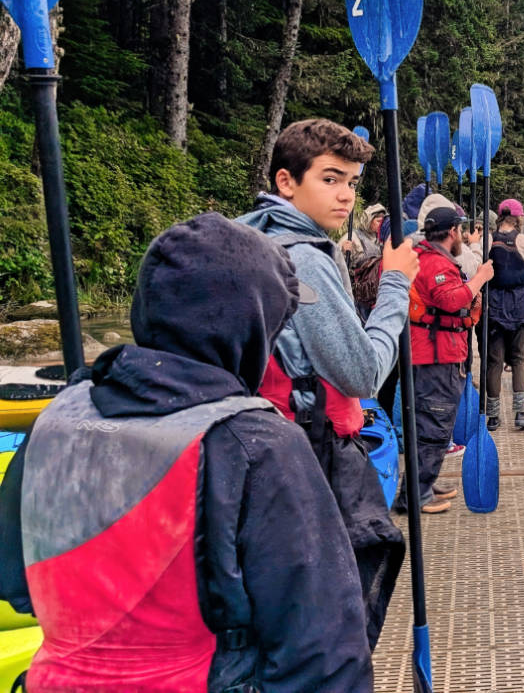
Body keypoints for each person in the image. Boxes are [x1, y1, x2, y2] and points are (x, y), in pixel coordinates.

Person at [0, 213, 376, 691]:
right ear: (251, 325)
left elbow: (15, 582)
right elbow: (323, 650)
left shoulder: (56, 417)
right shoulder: (257, 442)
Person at [236, 117, 419, 648]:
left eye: (353, 183)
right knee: (336, 614)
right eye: (330, 178)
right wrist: (395, 285)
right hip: (311, 456)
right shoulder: (300, 259)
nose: (345, 196)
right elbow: (362, 373)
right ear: (286, 182)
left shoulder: (253, 236)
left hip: (269, 449)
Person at [402, 206, 494, 513]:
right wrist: (480, 278)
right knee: (434, 425)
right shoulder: (432, 263)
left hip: (440, 351)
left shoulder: (431, 258)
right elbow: (450, 299)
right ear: (453, 232)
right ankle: (415, 495)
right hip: (433, 355)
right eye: (461, 230)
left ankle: (422, 483)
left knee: (434, 424)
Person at [485, 198, 524, 431]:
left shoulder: (488, 239)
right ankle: (521, 413)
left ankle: (493, 417)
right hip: (520, 304)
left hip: (495, 305)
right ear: (519, 218)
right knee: (520, 358)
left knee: (494, 361)